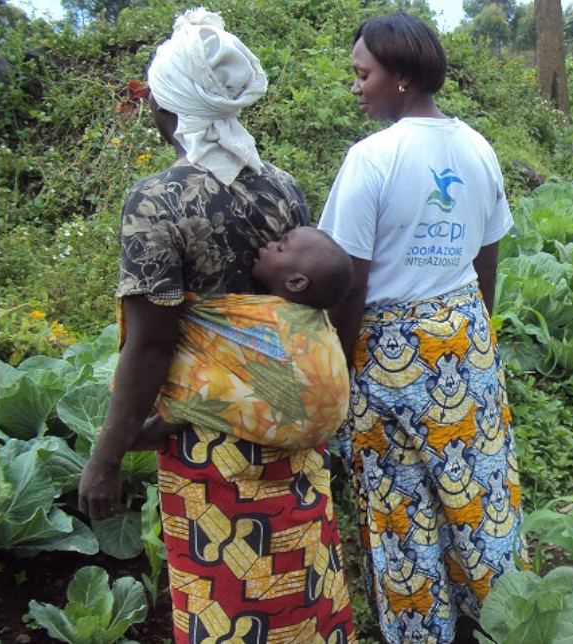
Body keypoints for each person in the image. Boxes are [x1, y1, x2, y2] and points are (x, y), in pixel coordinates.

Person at [77, 9, 356, 644]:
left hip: (210, 446)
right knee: (296, 580)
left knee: (226, 600)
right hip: (286, 428)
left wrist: (107, 456)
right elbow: (293, 322)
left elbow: (152, 342)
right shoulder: (282, 190)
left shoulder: (158, 202)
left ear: (167, 108)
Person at [319, 12, 524, 644]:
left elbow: (348, 285)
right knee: (481, 490)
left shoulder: (371, 159)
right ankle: (506, 622)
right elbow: (486, 259)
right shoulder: (478, 146)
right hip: (466, 337)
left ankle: (421, 631)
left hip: (385, 352)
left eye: (364, 74)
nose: (357, 87)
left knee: (400, 506)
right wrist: (473, 339)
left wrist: (342, 368)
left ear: (401, 76)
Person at [133, 225, 357, 452]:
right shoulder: (315, 321)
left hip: (295, 424)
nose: (268, 244)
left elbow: (197, 319)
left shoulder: (266, 319)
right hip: (327, 426)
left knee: (206, 379)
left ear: (296, 283)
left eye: (280, 248)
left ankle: (155, 432)